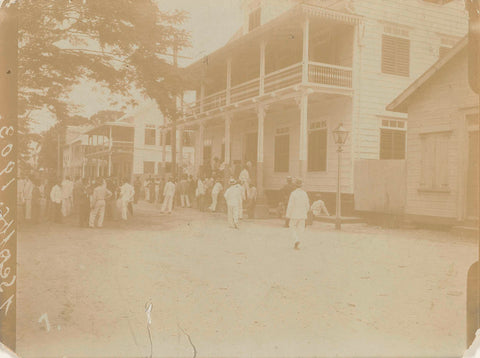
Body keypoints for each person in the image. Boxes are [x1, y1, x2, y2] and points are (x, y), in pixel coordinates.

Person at [286, 178, 310, 250]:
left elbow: (290, 205)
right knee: (301, 229)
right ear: (301, 185)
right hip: (302, 214)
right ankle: (299, 242)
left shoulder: (293, 193)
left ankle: (296, 240)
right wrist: (306, 212)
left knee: (292, 227)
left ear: (295, 186)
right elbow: (307, 205)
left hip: (294, 214)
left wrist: (288, 214)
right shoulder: (304, 193)